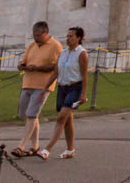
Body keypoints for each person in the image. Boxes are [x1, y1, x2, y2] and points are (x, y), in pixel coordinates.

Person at [13, 21, 63, 160]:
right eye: (34, 35)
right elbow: (24, 60)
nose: (35, 38)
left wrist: (37, 68)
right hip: (28, 83)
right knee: (25, 114)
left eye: (38, 35)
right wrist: (22, 66)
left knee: (31, 114)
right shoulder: (32, 45)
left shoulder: (55, 46)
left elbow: (56, 67)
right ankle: (35, 146)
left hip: (43, 85)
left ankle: (21, 147)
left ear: (45, 33)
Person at [43, 26, 88, 160]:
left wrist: (83, 94)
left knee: (61, 118)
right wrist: (45, 87)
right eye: (67, 36)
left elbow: (84, 75)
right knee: (68, 120)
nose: (68, 39)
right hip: (62, 88)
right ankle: (70, 149)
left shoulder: (82, 53)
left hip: (75, 88)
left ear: (78, 38)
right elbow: (56, 72)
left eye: (71, 36)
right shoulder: (63, 53)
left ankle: (47, 149)